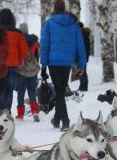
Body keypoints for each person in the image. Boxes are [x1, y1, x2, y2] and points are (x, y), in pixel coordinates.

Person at [41, 0, 86, 131]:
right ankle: (56, 120)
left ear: (54, 9)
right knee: (60, 91)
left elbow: (45, 46)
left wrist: (43, 66)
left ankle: (65, 121)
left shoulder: (49, 24)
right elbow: (80, 46)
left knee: (59, 92)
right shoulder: (74, 24)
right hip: (67, 63)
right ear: (64, 8)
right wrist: (81, 65)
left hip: (53, 62)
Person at [0, 9, 29, 111]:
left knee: (0, 90)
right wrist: (18, 61)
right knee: (9, 91)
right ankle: (7, 111)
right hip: (13, 66)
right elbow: (25, 52)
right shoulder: (18, 33)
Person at [16, 23, 40, 122]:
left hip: (21, 70)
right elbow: (37, 56)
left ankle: (20, 115)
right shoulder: (34, 41)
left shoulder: (18, 40)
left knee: (21, 92)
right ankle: (35, 111)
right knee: (32, 92)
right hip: (33, 70)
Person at [78, 22, 90, 92]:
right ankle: (82, 86)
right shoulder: (82, 34)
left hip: (82, 55)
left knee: (83, 71)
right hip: (83, 55)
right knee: (81, 71)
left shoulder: (82, 34)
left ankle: (84, 87)